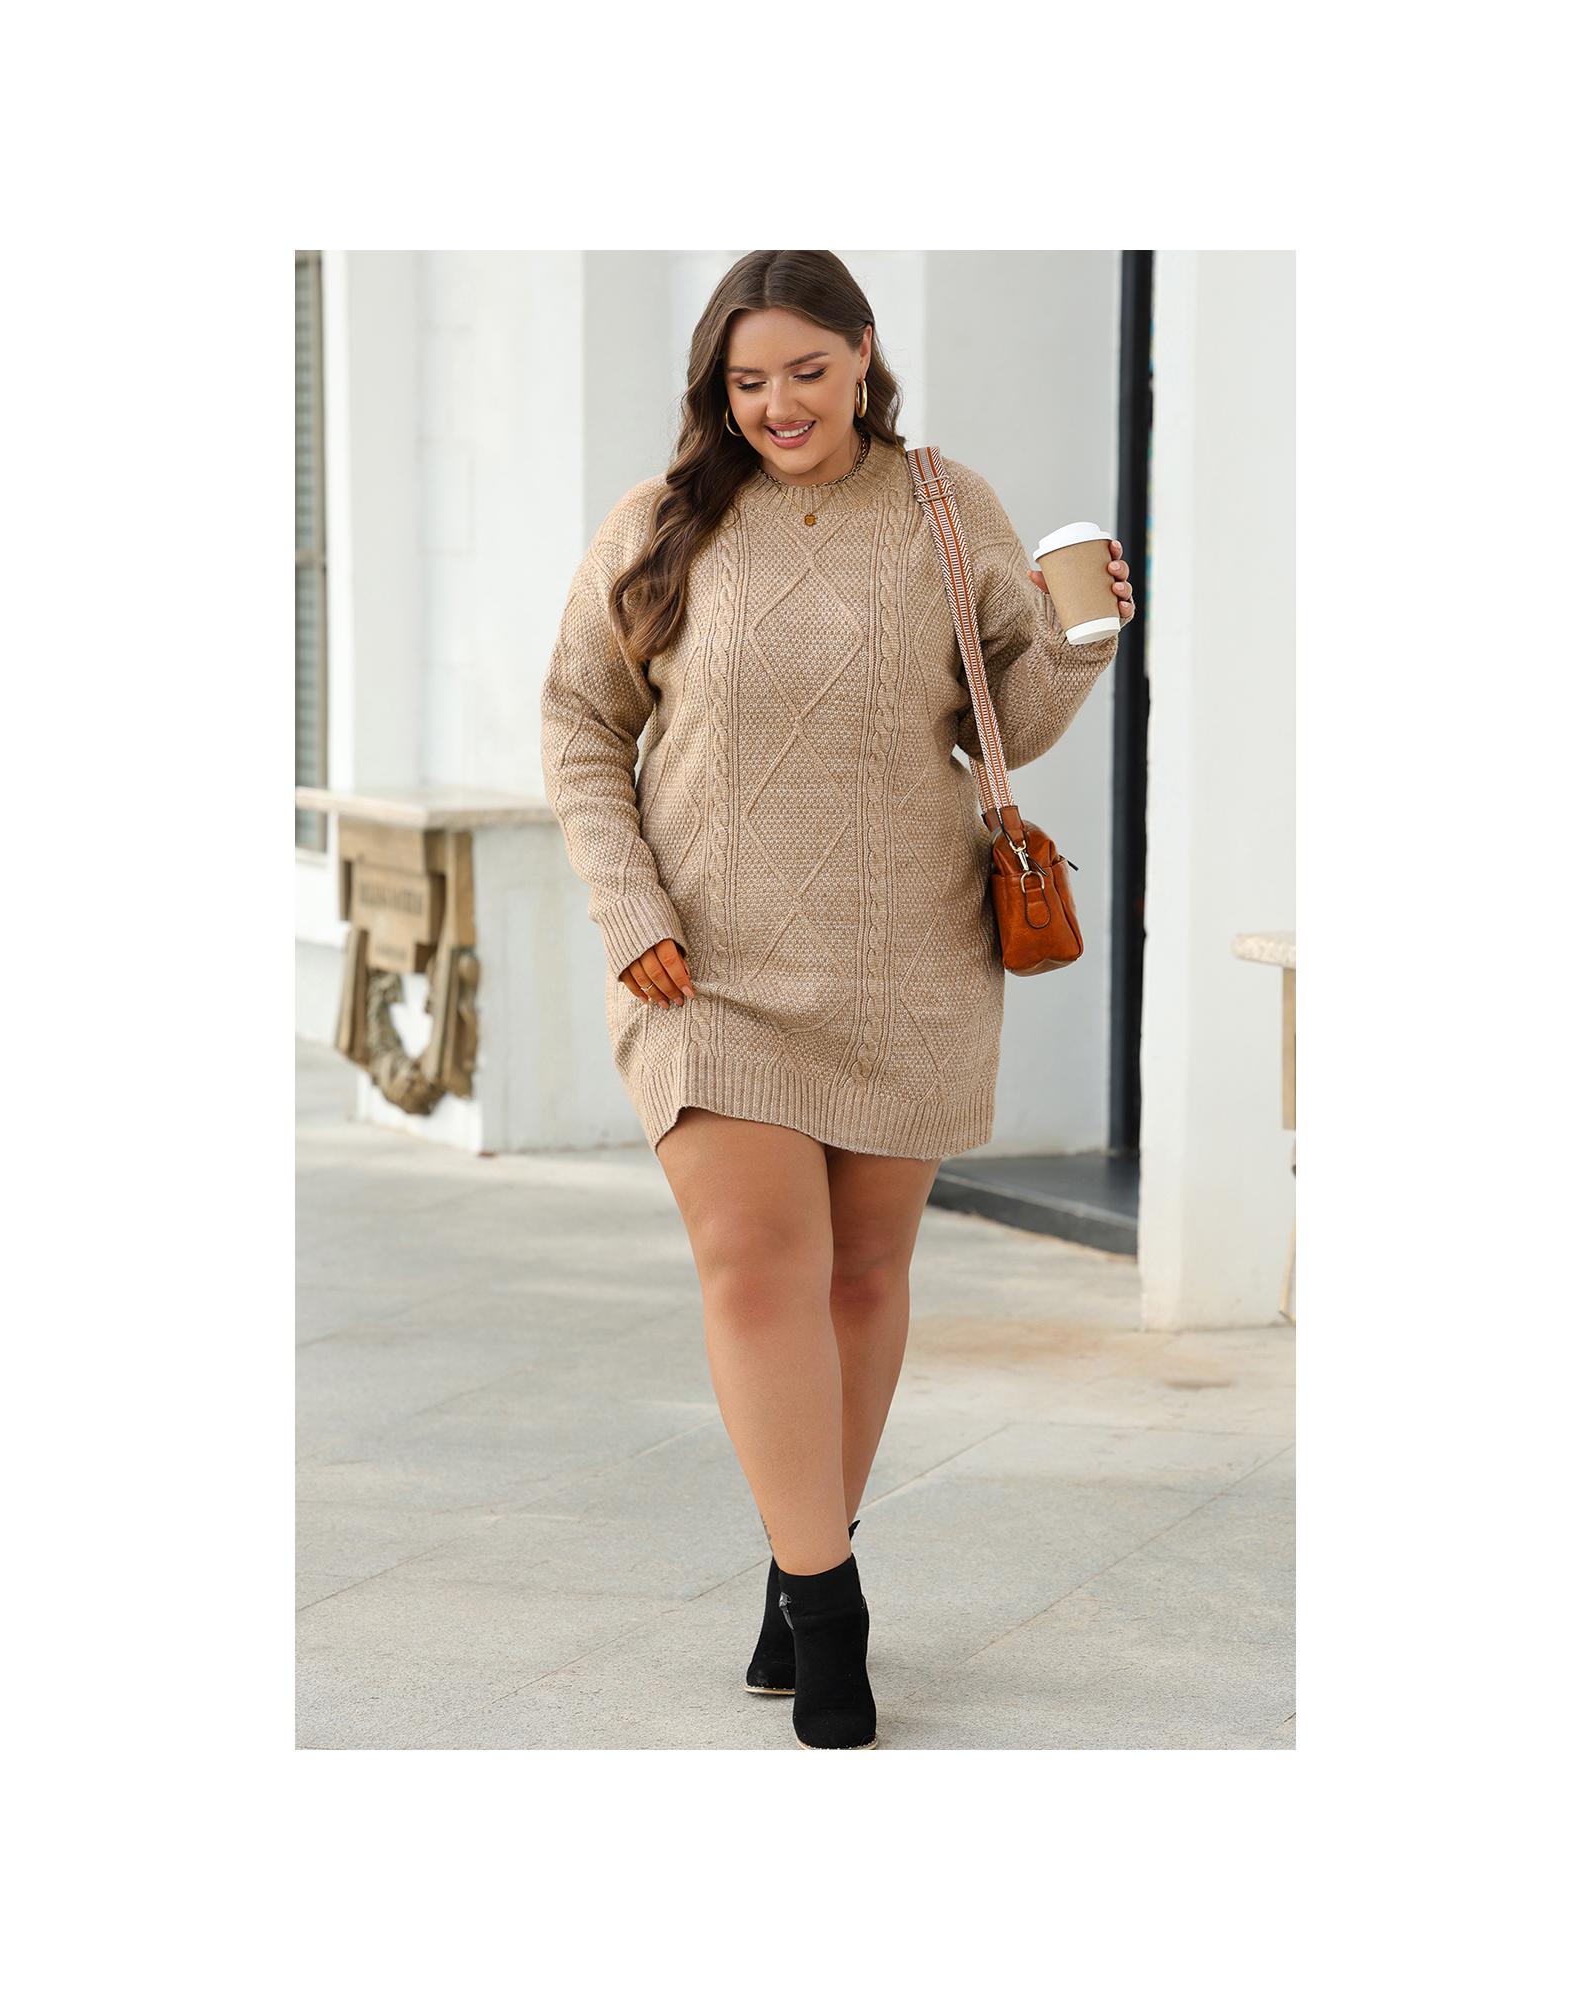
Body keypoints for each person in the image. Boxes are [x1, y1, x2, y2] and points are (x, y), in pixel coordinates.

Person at [539, 250, 1136, 1749]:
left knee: (863, 1279)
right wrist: (629, 905)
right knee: (757, 1267)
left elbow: (1010, 723)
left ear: (865, 355)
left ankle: (797, 1548)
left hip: (906, 959)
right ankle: (827, 1607)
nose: (779, 405)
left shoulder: (945, 504)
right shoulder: (661, 523)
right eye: (748, 382)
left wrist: (1084, 638)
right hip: (705, 969)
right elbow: (580, 724)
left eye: (807, 372)